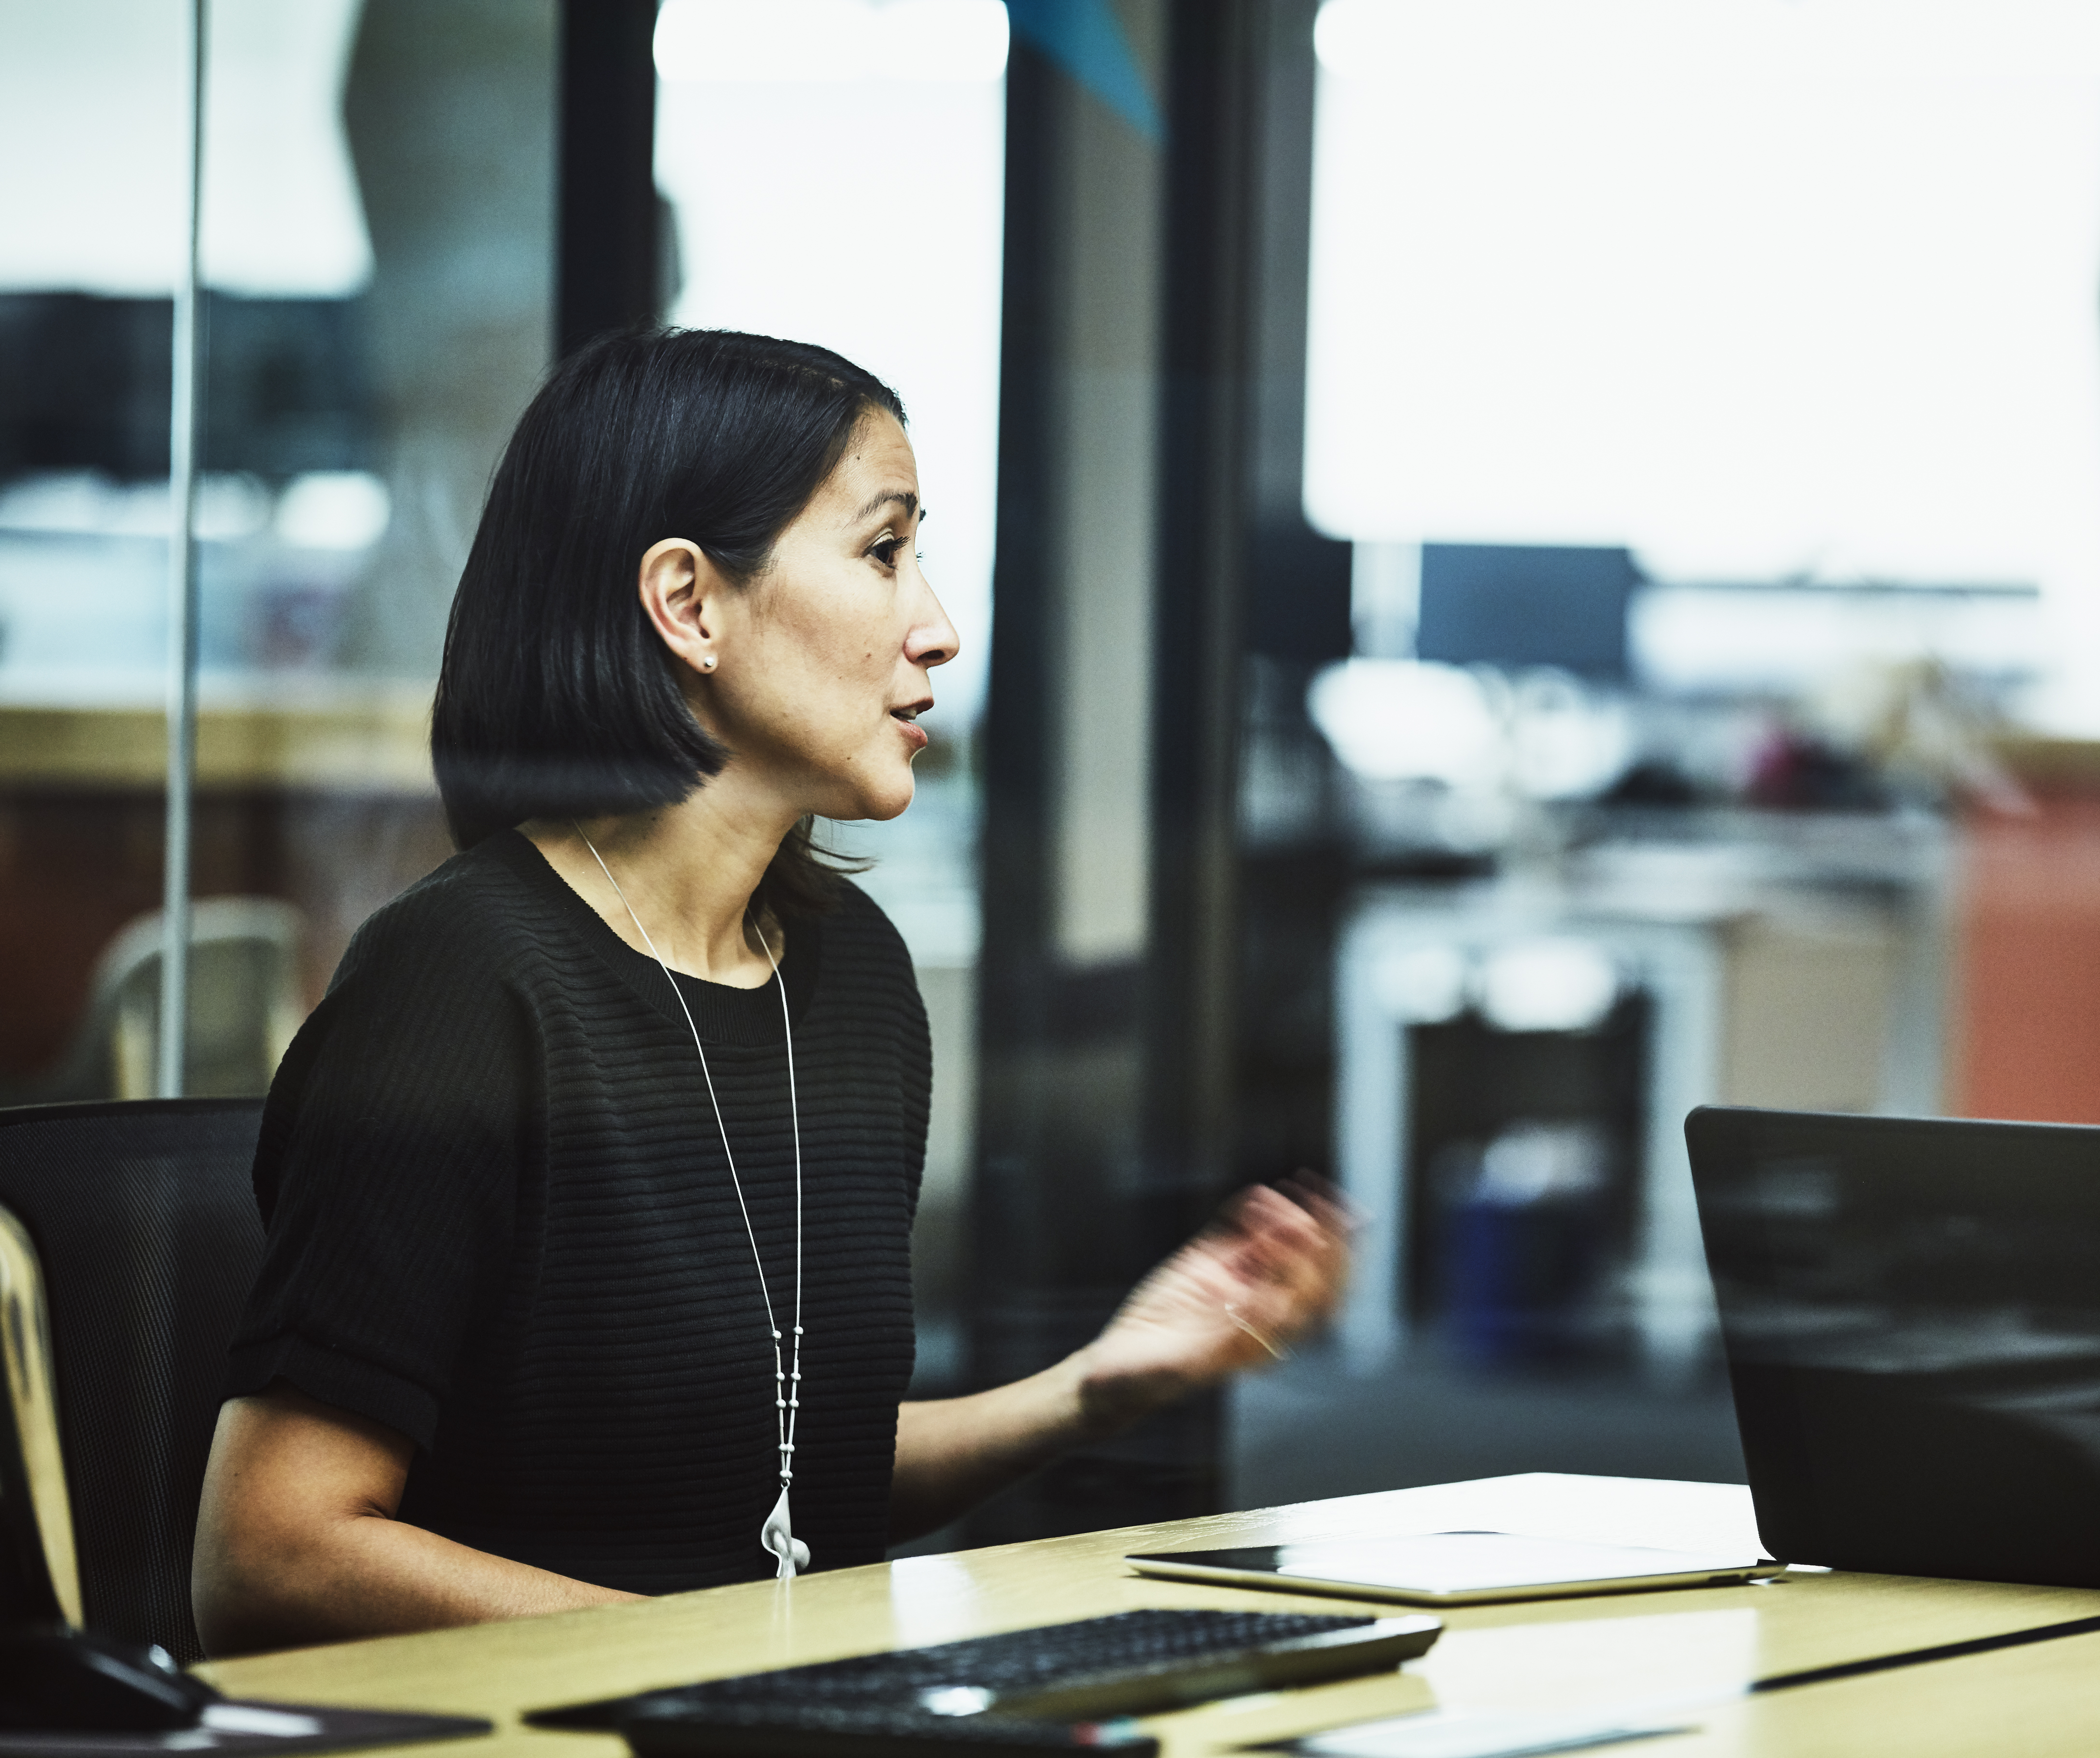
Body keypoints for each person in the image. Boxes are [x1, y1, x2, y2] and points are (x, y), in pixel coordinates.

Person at [191, 330, 1349, 1654]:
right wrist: (742, 1660)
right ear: (689, 604)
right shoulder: (461, 981)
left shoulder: (852, 974)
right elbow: (270, 1552)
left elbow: (790, 1477)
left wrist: (1094, 1387)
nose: (939, 625)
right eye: (881, 550)